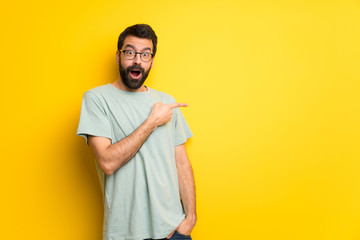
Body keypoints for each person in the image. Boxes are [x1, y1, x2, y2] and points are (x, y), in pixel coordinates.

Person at [77, 24, 196, 240]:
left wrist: (190, 219)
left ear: (151, 61)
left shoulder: (168, 103)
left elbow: (182, 164)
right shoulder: (96, 99)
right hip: (125, 233)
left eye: (145, 54)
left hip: (173, 231)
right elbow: (108, 162)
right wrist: (152, 121)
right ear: (118, 56)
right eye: (130, 52)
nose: (137, 61)